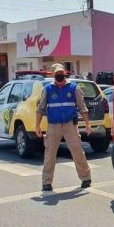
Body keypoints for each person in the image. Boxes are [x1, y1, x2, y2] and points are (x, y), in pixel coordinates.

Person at [35, 63, 93, 192]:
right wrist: (37, 126)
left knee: (77, 151)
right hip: (53, 125)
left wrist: (88, 124)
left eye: (61, 74)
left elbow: (82, 108)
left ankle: (86, 177)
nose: (60, 76)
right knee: (50, 154)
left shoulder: (73, 88)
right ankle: (47, 182)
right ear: (53, 75)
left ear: (64, 73)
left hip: (70, 124)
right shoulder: (48, 89)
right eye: (57, 74)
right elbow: (40, 109)